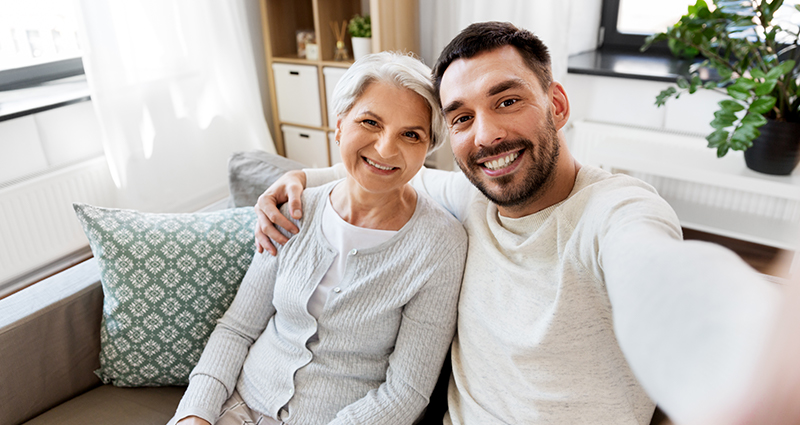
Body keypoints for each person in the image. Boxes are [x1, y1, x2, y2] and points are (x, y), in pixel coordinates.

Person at [253, 22, 790, 425]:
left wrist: (751, 348)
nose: (485, 136)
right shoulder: (471, 195)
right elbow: (377, 173)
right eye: (462, 117)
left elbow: (661, 276)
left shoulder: (618, 211)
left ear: (556, 104)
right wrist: (297, 178)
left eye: (507, 101)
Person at [167, 51, 468, 425]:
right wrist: (194, 415)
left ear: (428, 148)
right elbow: (237, 329)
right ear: (340, 125)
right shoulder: (292, 210)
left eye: (411, 134)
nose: (386, 148)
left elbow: (406, 392)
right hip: (238, 405)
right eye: (370, 122)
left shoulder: (441, 245)